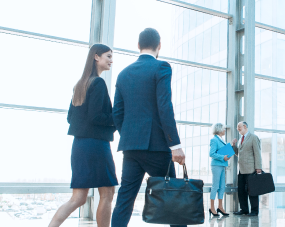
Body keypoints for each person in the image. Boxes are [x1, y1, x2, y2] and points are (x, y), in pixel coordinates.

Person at [110, 28, 186, 227]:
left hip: (131, 148)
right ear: (159, 46)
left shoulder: (123, 74)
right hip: (157, 147)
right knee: (172, 198)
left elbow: (117, 113)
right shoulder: (161, 67)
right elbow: (164, 107)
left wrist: (129, 134)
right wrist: (175, 145)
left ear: (138, 46)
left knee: (124, 199)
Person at [49, 44, 117, 227]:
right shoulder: (98, 83)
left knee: (78, 198)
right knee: (108, 192)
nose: (111, 60)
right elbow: (96, 117)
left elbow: (71, 118)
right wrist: (117, 117)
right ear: (96, 57)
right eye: (108, 56)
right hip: (96, 146)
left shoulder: (80, 85)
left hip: (80, 145)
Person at [230, 122, 262, 217]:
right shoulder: (240, 140)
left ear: (245, 126)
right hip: (242, 170)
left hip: (251, 169)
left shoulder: (253, 137)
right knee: (241, 191)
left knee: (252, 191)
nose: (238, 129)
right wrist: (234, 145)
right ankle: (244, 209)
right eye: (237, 127)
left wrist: (258, 167)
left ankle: (254, 211)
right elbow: (238, 154)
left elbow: (257, 153)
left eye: (239, 126)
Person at [208, 123, 231, 217]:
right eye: (223, 129)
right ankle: (212, 207)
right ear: (219, 129)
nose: (225, 130)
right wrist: (223, 157)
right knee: (215, 186)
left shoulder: (221, 139)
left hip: (222, 165)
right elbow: (211, 153)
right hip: (216, 165)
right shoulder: (214, 140)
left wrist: (226, 156)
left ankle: (220, 207)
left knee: (222, 186)